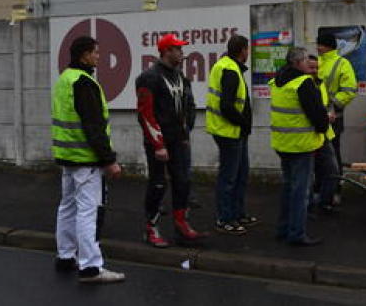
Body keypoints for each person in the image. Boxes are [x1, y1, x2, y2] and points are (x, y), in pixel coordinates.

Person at [52, 35, 125, 283]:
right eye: (95, 52)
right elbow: (94, 127)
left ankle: (65, 257)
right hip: (86, 159)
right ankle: (91, 267)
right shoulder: (84, 83)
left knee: (67, 207)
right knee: (87, 211)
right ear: (84, 55)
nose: (98, 56)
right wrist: (109, 160)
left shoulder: (65, 79)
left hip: (67, 157)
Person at [136, 33, 204, 247]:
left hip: (179, 141)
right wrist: (158, 145)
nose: (182, 53)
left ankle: (181, 224)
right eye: (178, 49)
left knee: (183, 182)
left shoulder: (181, 78)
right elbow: (145, 114)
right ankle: (151, 228)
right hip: (159, 144)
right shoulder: (149, 77)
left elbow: (189, 106)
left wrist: (186, 133)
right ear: (166, 51)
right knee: (158, 184)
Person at [270, 47, 330, 246]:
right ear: (297, 63)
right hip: (301, 146)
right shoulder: (303, 83)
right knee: (301, 192)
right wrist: (325, 123)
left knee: (288, 188)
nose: (308, 64)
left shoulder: (278, 82)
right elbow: (317, 115)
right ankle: (296, 233)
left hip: (283, 144)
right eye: (305, 60)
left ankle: (283, 229)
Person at [206, 34, 257, 235]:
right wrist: (243, 122)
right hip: (228, 132)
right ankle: (225, 218)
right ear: (242, 50)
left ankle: (237, 213)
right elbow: (226, 105)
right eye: (247, 48)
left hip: (234, 132)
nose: (248, 52)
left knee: (240, 175)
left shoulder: (230, 67)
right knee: (229, 177)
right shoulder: (229, 69)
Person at [317, 33, 357, 204]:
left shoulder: (342, 63)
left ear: (328, 46)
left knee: (333, 156)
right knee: (318, 156)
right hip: (316, 117)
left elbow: (349, 90)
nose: (317, 47)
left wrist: (332, 106)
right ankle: (320, 190)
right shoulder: (316, 62)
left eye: (320, 44)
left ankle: (334, 192)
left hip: (334, 118)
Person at [307, 55, 340, 214]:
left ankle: (324, 201)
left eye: (316, 68)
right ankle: (310, 205)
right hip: (309, 136)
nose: (315, 71)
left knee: (332, 170)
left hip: (324, 134)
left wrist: (330, 112)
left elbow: (327, 105)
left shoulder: (320, 84)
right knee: (309, 174)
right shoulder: (302, 87)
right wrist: (324, 116)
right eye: (311, 68)